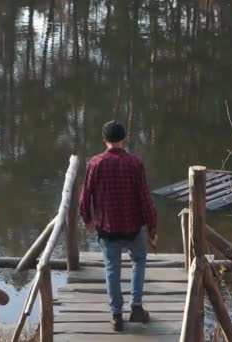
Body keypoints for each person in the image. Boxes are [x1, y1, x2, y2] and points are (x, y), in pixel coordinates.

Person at [79, 120, 158, 332]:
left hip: (107, 228)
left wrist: (87, 220)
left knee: (111, 269)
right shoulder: (135, 163)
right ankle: (137, 307)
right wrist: (152, 226)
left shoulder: (95, 164)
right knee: (139, 262)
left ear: (105, 140)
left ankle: (116, 315)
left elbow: (85, 196)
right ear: (123, 139)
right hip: (133, 227)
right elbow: (145, 198)